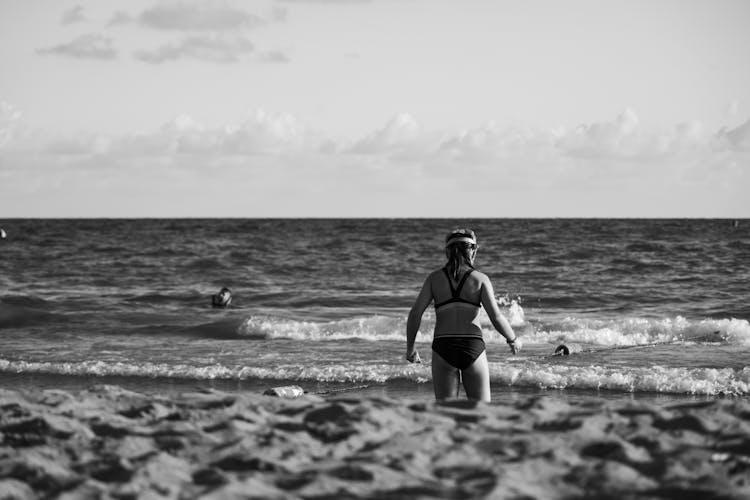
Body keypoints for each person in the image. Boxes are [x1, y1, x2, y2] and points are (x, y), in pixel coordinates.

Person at [405, 228, 518, 402]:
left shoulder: (434, 279)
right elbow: (496, 317)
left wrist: (410, 348)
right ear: (473, 250)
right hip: (472, 347)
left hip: (443, 347)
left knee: (446, 411)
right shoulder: (480, 279)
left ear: (447, 252)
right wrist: (512, 339)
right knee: (481, 411)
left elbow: (415, 314)